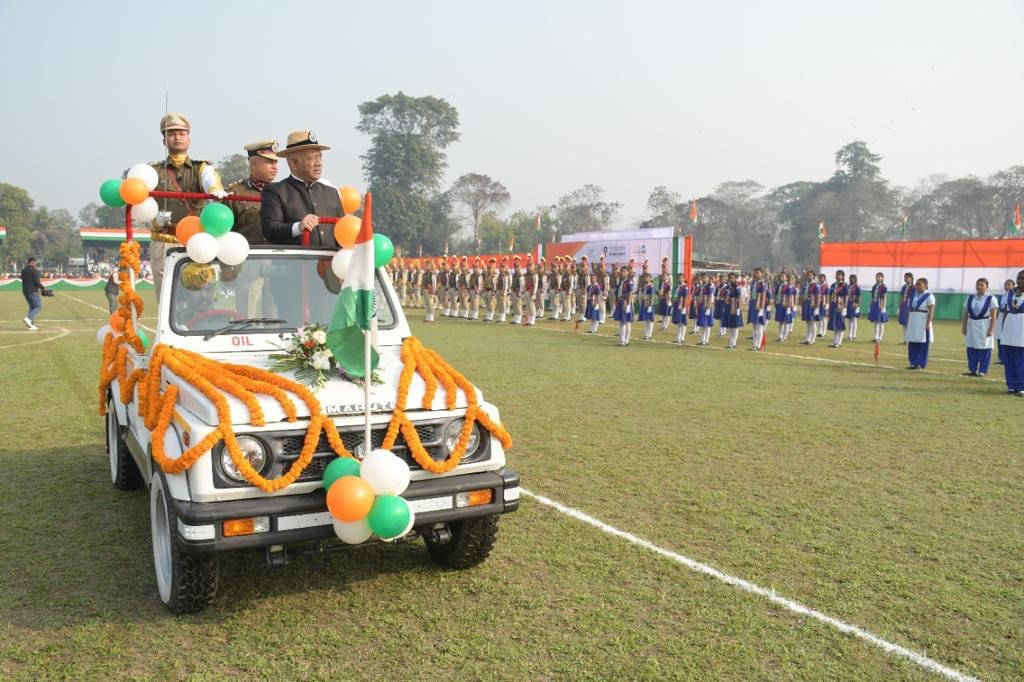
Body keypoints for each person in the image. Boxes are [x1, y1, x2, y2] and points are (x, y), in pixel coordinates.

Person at [149, 113, 224, 297]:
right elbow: (139, 199)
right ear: (164, 140)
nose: (177, 137)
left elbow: (211, 184)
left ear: (189, 139)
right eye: (171, 133)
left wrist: (215, 192)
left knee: (201, 294)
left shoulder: (202, 168)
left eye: (182, 133)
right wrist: (153, 218)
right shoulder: (153, 171)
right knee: (166, 294)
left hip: (196, 240)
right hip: (164, 239)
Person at [260, 130, 342, 247]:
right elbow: (270, 230)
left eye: (320, 157)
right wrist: (298, 227)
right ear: (294, 163)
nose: (319, 163)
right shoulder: (275, 191)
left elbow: (343, 230)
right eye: (311, 159)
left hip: (331, 263)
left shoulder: (332, 192)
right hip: (292, 264)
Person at [227, 139, 279, 316]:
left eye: (276, 162)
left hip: (280, 259)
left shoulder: (283, 191)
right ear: (254, 163)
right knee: (248, 316)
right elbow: (224, 232)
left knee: (276, 315)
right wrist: (226, 266)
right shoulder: (235, 193)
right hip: (249, 261)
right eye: (269, 161)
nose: (275, 167)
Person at [961, 278, 997, 377]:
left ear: (987, 287)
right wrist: (964, 327)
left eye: (982, 285)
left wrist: (991, 329)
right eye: (978, 285)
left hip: (984, 324)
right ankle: (972, 370)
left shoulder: (991, 298)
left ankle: (982, 371)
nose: (979, 287)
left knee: (984, 348)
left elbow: (994, 316)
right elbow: (965, 313)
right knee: (971, 347)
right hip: (971, 324)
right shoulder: (970, 297)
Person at [999, 270, 1024, 395]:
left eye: (1023, 278)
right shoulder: (1009, 292)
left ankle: (1021, 386)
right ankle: (1011, 385)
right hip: (1009, 328)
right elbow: (1006, 311)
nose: (1020, 280)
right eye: (1019, 278)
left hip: (1022, 329)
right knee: (1009, 359)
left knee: (1021, 359)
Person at [905, 277, 935, 369]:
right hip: (913, 320)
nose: (917, 286)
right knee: (912, 342)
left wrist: (928, 323)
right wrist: (908, 320)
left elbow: (931, 310)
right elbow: (909, 308)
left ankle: (920, 363)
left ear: (925, 285)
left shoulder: (929, 296)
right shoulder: (913, 295)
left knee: (923, 343)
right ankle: (913, 362)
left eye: (919, 284)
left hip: (923, 320)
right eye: (916, 284)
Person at [20, 257, 48, 330]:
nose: (36, 264)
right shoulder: (35, 271)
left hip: (25, 291)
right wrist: (43, 288)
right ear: (32, 262)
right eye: (35, 263)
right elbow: (37, 282)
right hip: (33, 291)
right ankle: (28, 318)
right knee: (38, 306)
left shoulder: (23, 271)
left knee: (32, 307)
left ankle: (31, 325)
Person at [826, 269, 849, 348]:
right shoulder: (833, 285)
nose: (837, 276)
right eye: (836, 274)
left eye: (839, 275)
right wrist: (828, 305)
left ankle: (839, 342)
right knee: (834, 323)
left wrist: (845, 308)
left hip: (840, 305)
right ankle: (835, 341)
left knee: (840, 323)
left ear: (842, 276)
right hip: (833, 305)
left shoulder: (844, 285)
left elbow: (846, 297)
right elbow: (830, 295)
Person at [748, 267, 768, 350]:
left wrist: (761, 308)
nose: (756, 274)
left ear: (762, 274)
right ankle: (754, 344)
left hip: (759, 306)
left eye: (758, 273)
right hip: (752, 305)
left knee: (759, 326)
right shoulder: (753, 283)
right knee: (753, 325)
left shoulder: (762, 284)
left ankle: (758, 345)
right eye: (756, 273)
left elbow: (763, 296)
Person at [868, 272, 889, 342]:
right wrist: (870, 306)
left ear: (882, 278)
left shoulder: (884, 287)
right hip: (874, 304)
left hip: (880, 304)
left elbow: (885, 297)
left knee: (881, 322)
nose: (877, 278)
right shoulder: (874, 286)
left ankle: (880, 338)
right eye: (876, 277)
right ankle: (875, 337)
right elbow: (872, 296)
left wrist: (883, 306)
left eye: (879, 277)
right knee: (875, 321)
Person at [637, 272, 656, 340]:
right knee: (645, 320)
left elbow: (652, 296)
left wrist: (650, 305)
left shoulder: (651, 286)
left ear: (650, 278)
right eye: (645, 277)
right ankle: (645, 334)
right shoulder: (645, 286)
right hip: (644, 304)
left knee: (650, 320)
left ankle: (649, 334)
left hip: (648, 304)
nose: (646, 278)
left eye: (648, 277)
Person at [671, 273, 689, 344]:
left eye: (681, 278)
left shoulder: (685, 287)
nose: (679, 279)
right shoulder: (677, 287)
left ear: (684, 279)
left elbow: (685, 298)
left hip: (682, 306)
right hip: (677, 305)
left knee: (682, 323)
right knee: (678, 322)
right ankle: (678, 338)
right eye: (678, 278)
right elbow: (675, 296)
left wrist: (684, 307)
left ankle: (682, 338)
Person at [898, 272, 914, 344]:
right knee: (903, 323)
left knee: (909, 324)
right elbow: (901, 297)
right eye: (905, 277)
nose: (906, 279)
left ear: (911, 278)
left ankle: (909, 339)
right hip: (903, 306)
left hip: (910, 306)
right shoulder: (904, 287)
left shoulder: (913, 287)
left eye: (907, 277)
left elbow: (914, 297)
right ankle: (905, 340)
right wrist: (899, 307)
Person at [845, 274, 861, 340]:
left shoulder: (857, 287)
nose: (851, 280)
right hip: (848, 304)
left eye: (853, 278)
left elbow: (859, 297)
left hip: (854, 304)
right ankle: (849, 334)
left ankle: (853, 335)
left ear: (855, 279)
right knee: (849, 320)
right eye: (850, 278)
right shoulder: (848, 286)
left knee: (854, 320)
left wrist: (858, 306)